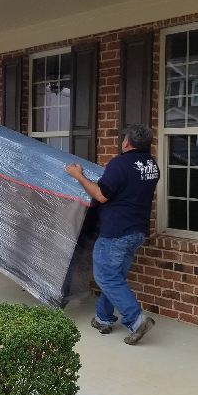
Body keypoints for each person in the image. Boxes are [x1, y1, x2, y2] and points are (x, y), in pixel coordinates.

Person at [65, 124, 159, 345]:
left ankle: (136, 320)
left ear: (127, 142)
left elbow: (101, 195)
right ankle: (103, 318)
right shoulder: (152, 165)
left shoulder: (120, 164)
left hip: (116, 232)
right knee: (115, 277)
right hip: (137, 231)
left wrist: (78, 175)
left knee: (106, 277)